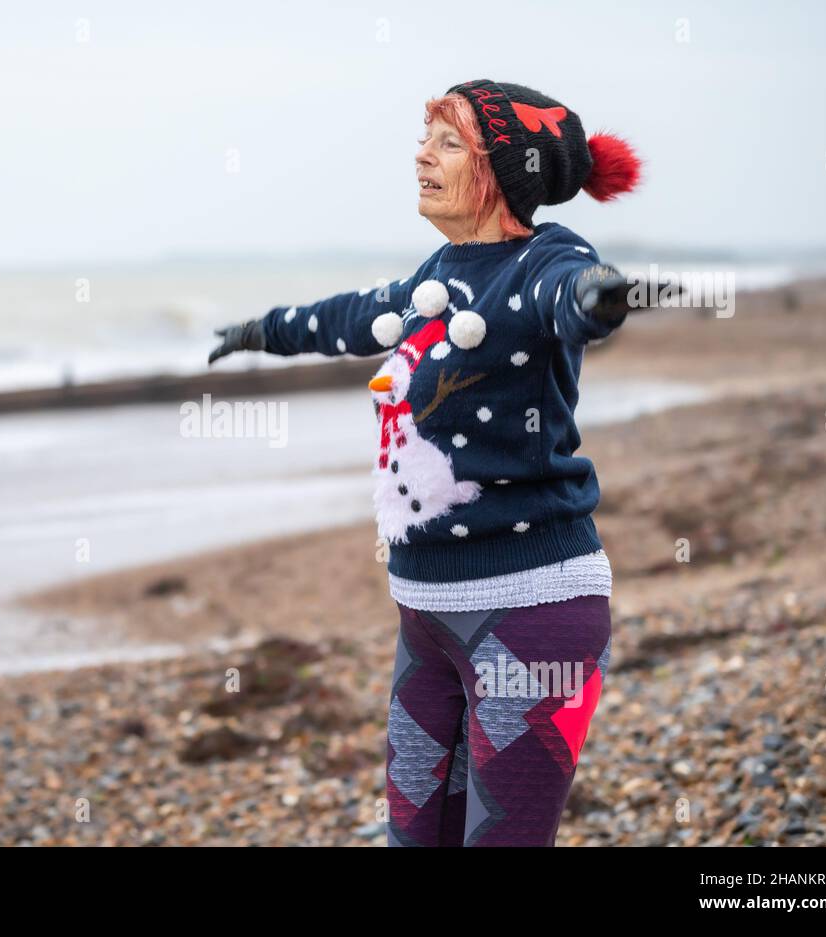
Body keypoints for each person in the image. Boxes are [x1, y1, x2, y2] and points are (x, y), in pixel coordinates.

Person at [207, 80, 644, 846]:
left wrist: (596, 298)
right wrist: (259, 330)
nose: (422, 155)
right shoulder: (436, 276)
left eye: (447, 142)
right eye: (425, 137)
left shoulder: (545, 259)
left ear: (507, 171)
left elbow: (566, 295)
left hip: (531, 611)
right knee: (415, 836)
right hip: (425, 617)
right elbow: (346, 317)